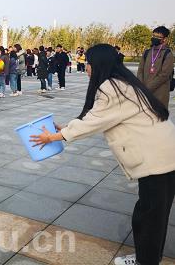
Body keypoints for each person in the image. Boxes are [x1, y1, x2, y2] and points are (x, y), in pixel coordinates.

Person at [30, 44, 175, 265]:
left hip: (159, 160)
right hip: (162, 156)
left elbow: (93, 123)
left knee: (149, 219)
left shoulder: (111, 87)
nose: (86, 67)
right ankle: (146, 259)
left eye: (88, 62)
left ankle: (145, 262)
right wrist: (66, 128)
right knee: (151, 216)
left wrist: (52, 138)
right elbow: (96, 118)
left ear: (97, 64)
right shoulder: (123, 83)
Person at [137, 26, 174, 109]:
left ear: (164, 39)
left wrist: (148, 88)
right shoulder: (147, 52)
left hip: (159, 94)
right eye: (153, 36)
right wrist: (141, 85)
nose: (155, 38)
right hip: (144, 92)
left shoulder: (168, 54)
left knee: (158, 118)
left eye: (158, 37)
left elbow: (164, 75)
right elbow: (140, 70)